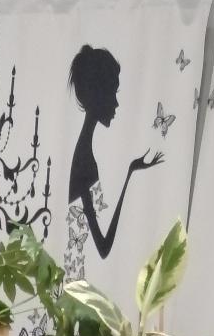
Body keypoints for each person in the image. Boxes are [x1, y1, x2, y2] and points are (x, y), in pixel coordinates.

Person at [64, 44, 163, 273]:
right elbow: (103, 247)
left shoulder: (83, 152)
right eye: (113, 93)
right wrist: (129, 176)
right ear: (97, 95)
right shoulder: (85, 160)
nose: (116, 103)